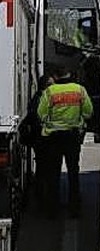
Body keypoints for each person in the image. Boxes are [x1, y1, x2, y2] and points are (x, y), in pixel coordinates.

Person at [38, 65, 93, 216]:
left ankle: (52, 209)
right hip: (72, 136)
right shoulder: (79, 90)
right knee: (73, 172)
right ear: (69, 74)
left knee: (53, 174)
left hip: (54, 138)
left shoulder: (50, 92)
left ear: (55, 77)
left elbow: (41, 114)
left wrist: (50, 123)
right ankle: (74, 207)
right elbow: (88, 112)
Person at [18, 74, 53, 203]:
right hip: (43, 139)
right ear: (47, 86)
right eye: (51, 84)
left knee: (42, 169)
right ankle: (44, 199)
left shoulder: (37, 98)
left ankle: (42, 197)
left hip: (39, 139)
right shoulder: (42, 98)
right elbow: (39, 119)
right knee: (46, 170)